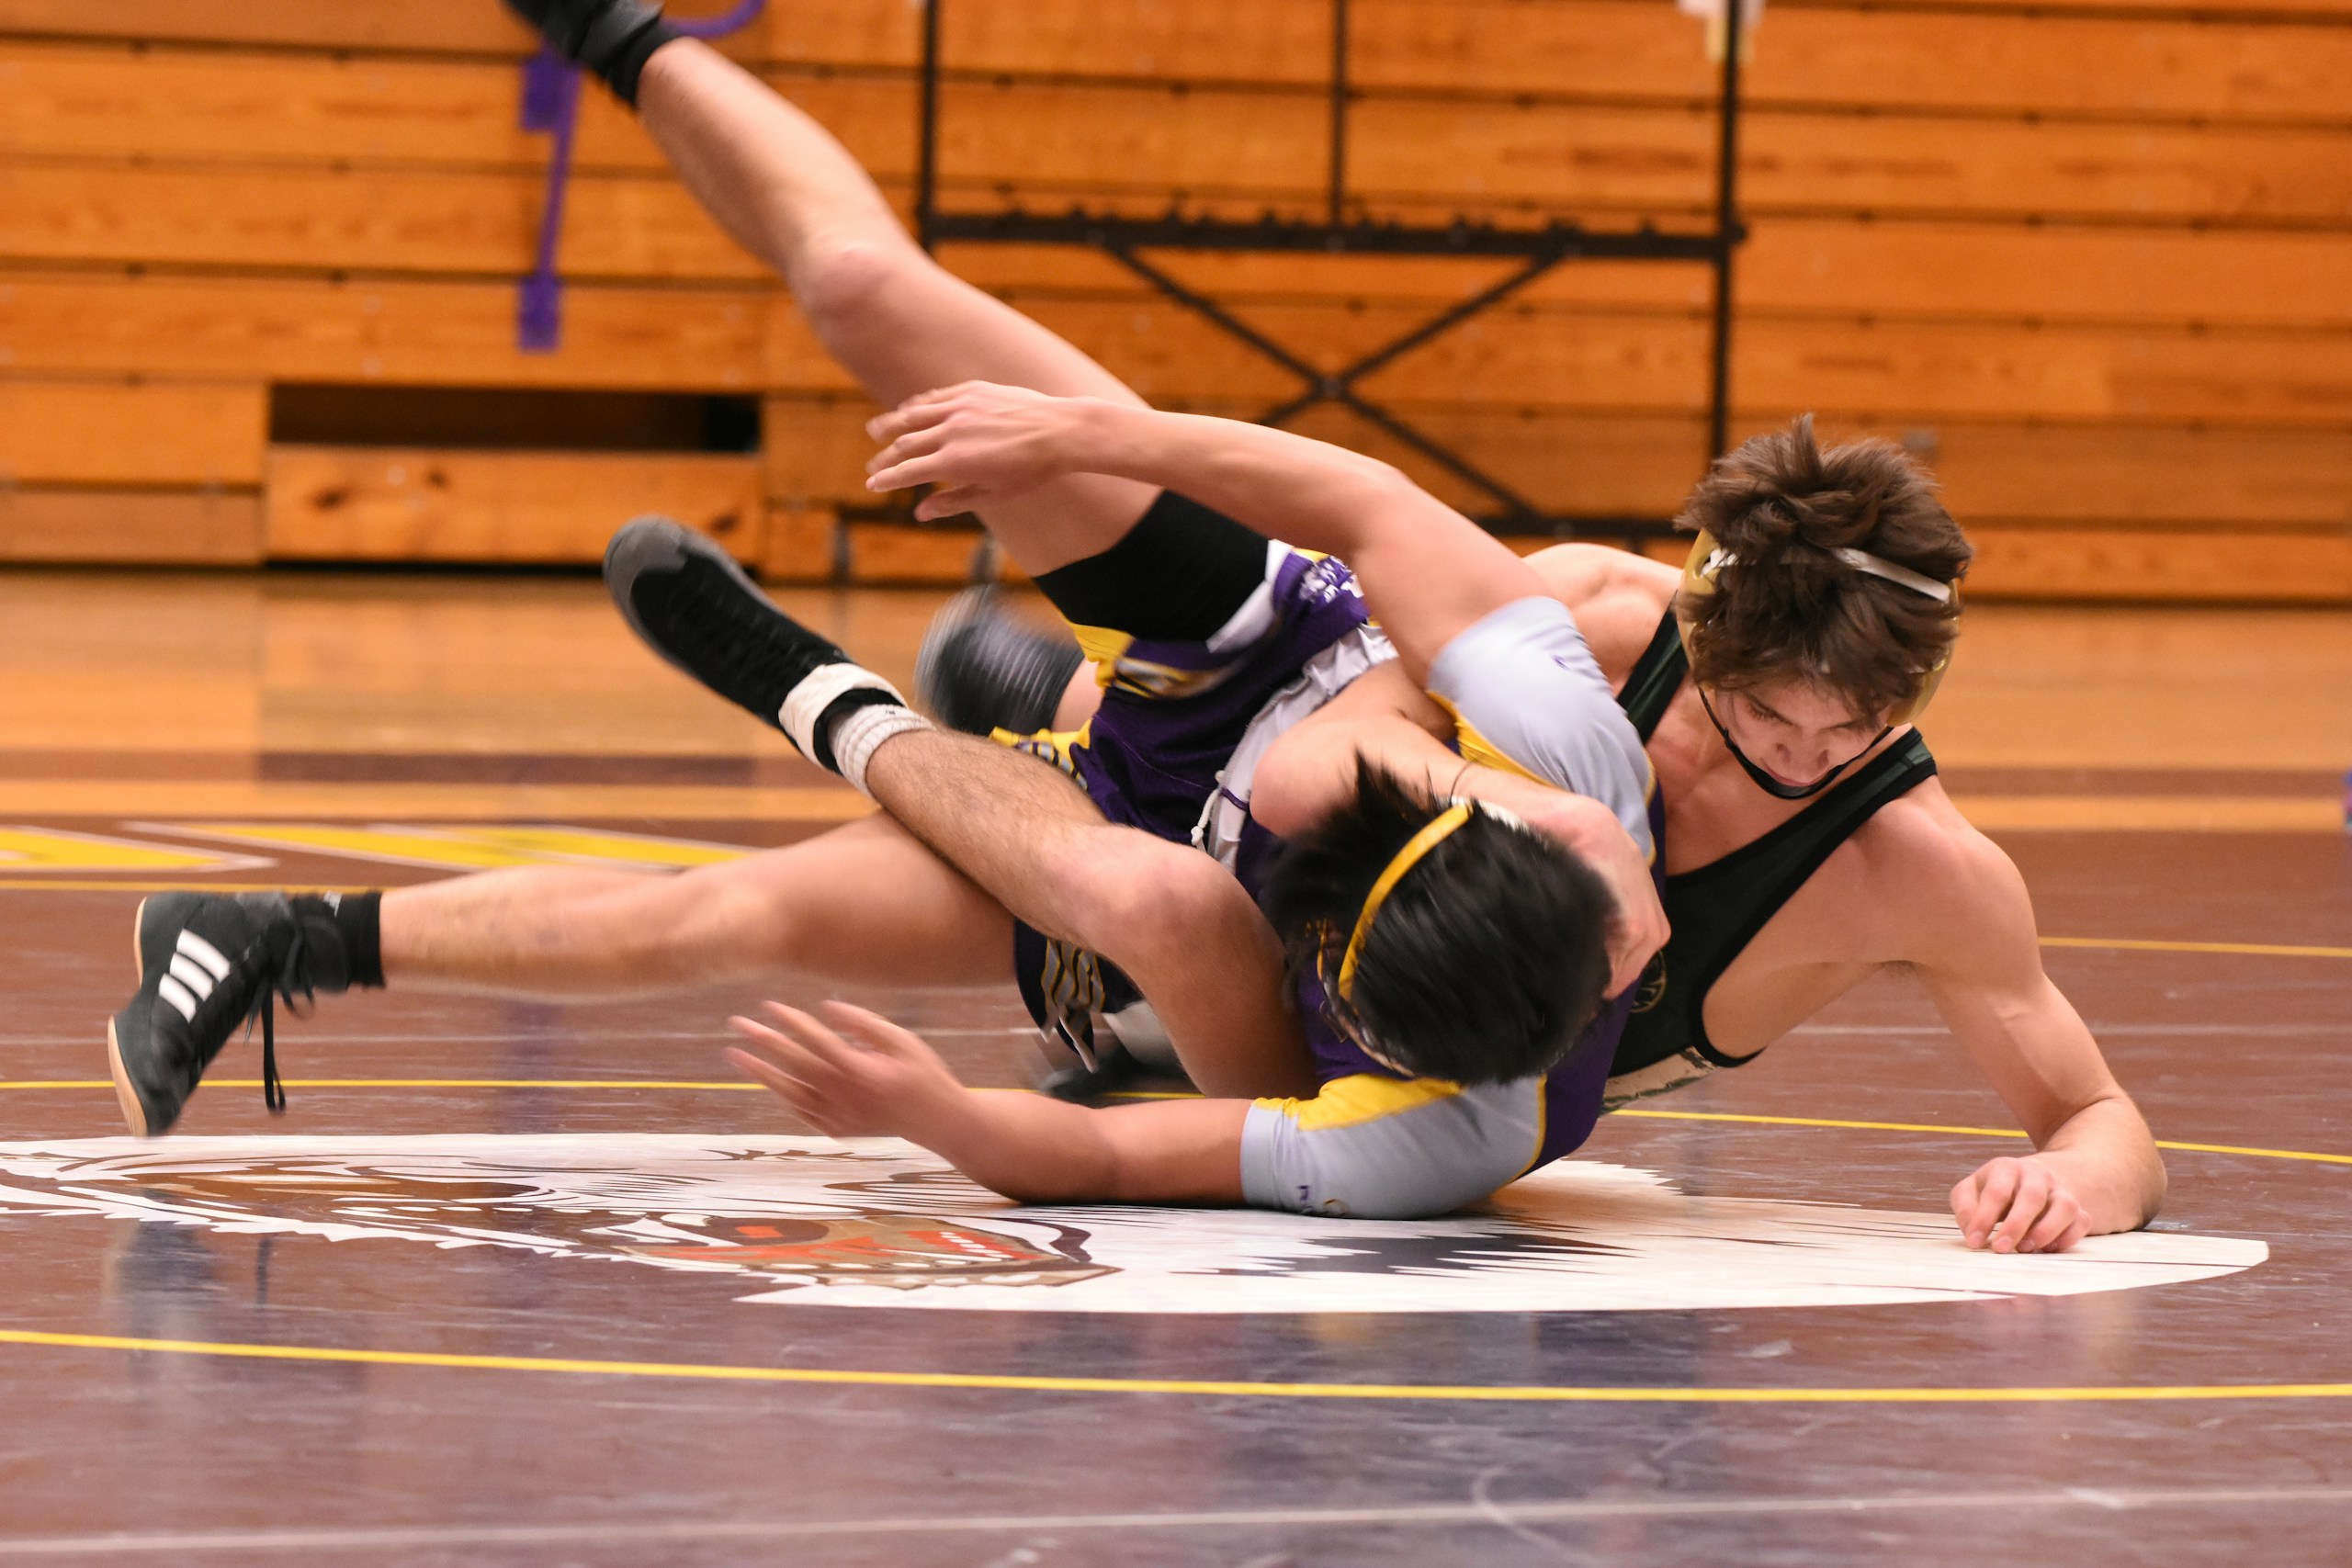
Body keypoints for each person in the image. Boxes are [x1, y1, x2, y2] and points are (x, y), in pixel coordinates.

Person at [101, 6, 1668, 1219]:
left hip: (1157, 882)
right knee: (862, 292)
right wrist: (1090, 441)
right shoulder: (1571, 784)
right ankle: (622, 36)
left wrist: (934, 1112)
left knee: (770, 918)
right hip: (1263, 657)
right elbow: (1380, 516)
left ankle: (270, 935)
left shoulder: (1425, 1135)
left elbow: (1114, 1166)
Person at [896, 403, 2168, 1256]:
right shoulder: (1601, 618)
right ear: (1701, 632)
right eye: (1764, 716)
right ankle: (1039, 697)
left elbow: (2100, 1116)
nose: (1799, 758)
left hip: (1453, 1055)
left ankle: (1030, 729)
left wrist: (2075, 1187)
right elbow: (1318, 755)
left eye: (1851, 733)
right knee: (1212, 776)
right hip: (1311, 855)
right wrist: (1558, 818)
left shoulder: (1925, 871)